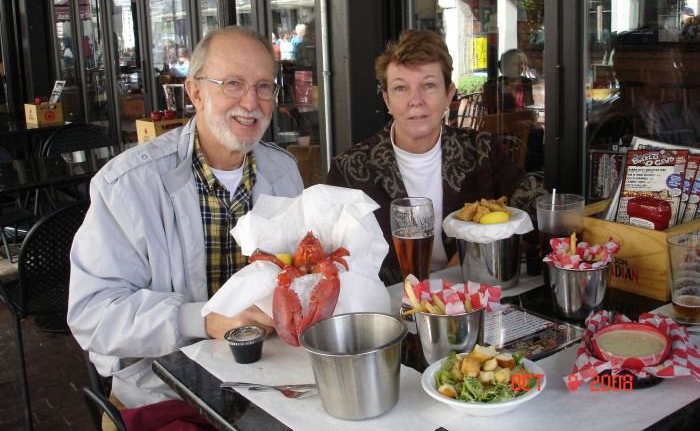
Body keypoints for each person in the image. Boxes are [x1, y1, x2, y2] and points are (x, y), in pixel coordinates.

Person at [68, 26, 304, 410]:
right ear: (195, 91)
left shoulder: (284, 171)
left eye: (264, 86)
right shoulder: (126, 185)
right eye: (232, 83)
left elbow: (295, 275)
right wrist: (204, 320)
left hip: (272, 383)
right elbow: (92, 315)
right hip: (162, 393)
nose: (251, 101)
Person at [326, 29, 546, 286]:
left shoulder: (482, 151)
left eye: (429, 85)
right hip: (388, 312)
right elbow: (329, 257)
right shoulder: (350, 170)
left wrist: (474, 246)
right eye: (400, 88)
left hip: (472, 296)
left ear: (449, 95)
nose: (415, 100)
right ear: (386, 99)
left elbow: (534, 213)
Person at [484, 48, 535, 113]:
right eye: (516, 64)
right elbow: (492, 113)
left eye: (523, 63)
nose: (521, 67)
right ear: (506, 66)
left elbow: (529, 107)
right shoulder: (496, 85)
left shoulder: (526, 82)